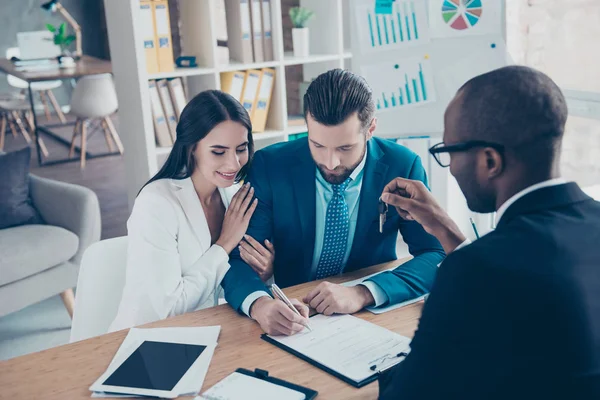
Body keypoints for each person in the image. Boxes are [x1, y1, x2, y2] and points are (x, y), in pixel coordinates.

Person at [378, 66, 600, 399]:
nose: (450, 167)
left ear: (490, 161)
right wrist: (444, 227)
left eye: (449, 151)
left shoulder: (477, 272)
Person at [221, 69, 445, 336]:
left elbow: (435, 255)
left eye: (344, 148)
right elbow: (236, 259)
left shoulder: (402, 165)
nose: (330, 162)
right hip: (295, 311)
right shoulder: (270, 166)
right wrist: (260, 305)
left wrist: (362, 294)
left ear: (370, 128)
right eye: (317, 145)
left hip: (369, 318)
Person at [110, 90, 274, 331]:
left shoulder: (234, 196)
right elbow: (170, 309)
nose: (234, 163)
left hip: (216, 330)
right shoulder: (157, 203)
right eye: (218, 152)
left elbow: (229, 285)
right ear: (192, 148)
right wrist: (224, 244)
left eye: (241, 149)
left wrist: (265, 271)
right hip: (151, 339)